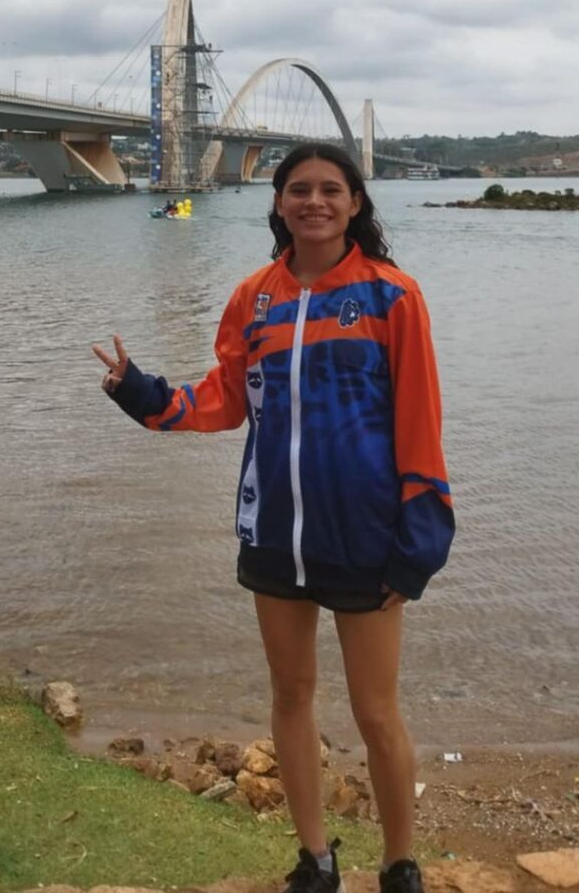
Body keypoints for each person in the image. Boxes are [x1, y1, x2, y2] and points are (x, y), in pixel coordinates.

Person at [93, 144, 454, 893]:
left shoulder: (393, 297)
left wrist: (420, 539)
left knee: (376, 711)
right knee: (290, 697)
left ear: (355, 203)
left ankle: (398, 863)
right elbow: (226, 397)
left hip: (366, 537)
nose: (313, 201)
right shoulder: (253, 297)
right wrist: (143, 394)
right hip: (273, 534)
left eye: (329, 189)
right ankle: (315, 859)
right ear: (279, 203)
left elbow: (421, 421)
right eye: (298, 190)